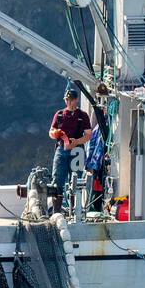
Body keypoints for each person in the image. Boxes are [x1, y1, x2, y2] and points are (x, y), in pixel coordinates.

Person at [48, 85, 92, 215]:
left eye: (71, 99)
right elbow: (51, 131)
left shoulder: (82, 116)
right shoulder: (60, 115)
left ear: (76, 100)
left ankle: (75, 211)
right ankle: (57, 212)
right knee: (57, 180)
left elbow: (88, 135)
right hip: (61, 150)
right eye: (67, 100)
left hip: (77, 151)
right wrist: (55, 134)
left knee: (76, 181)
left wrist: (77, 141)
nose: (69, 102)